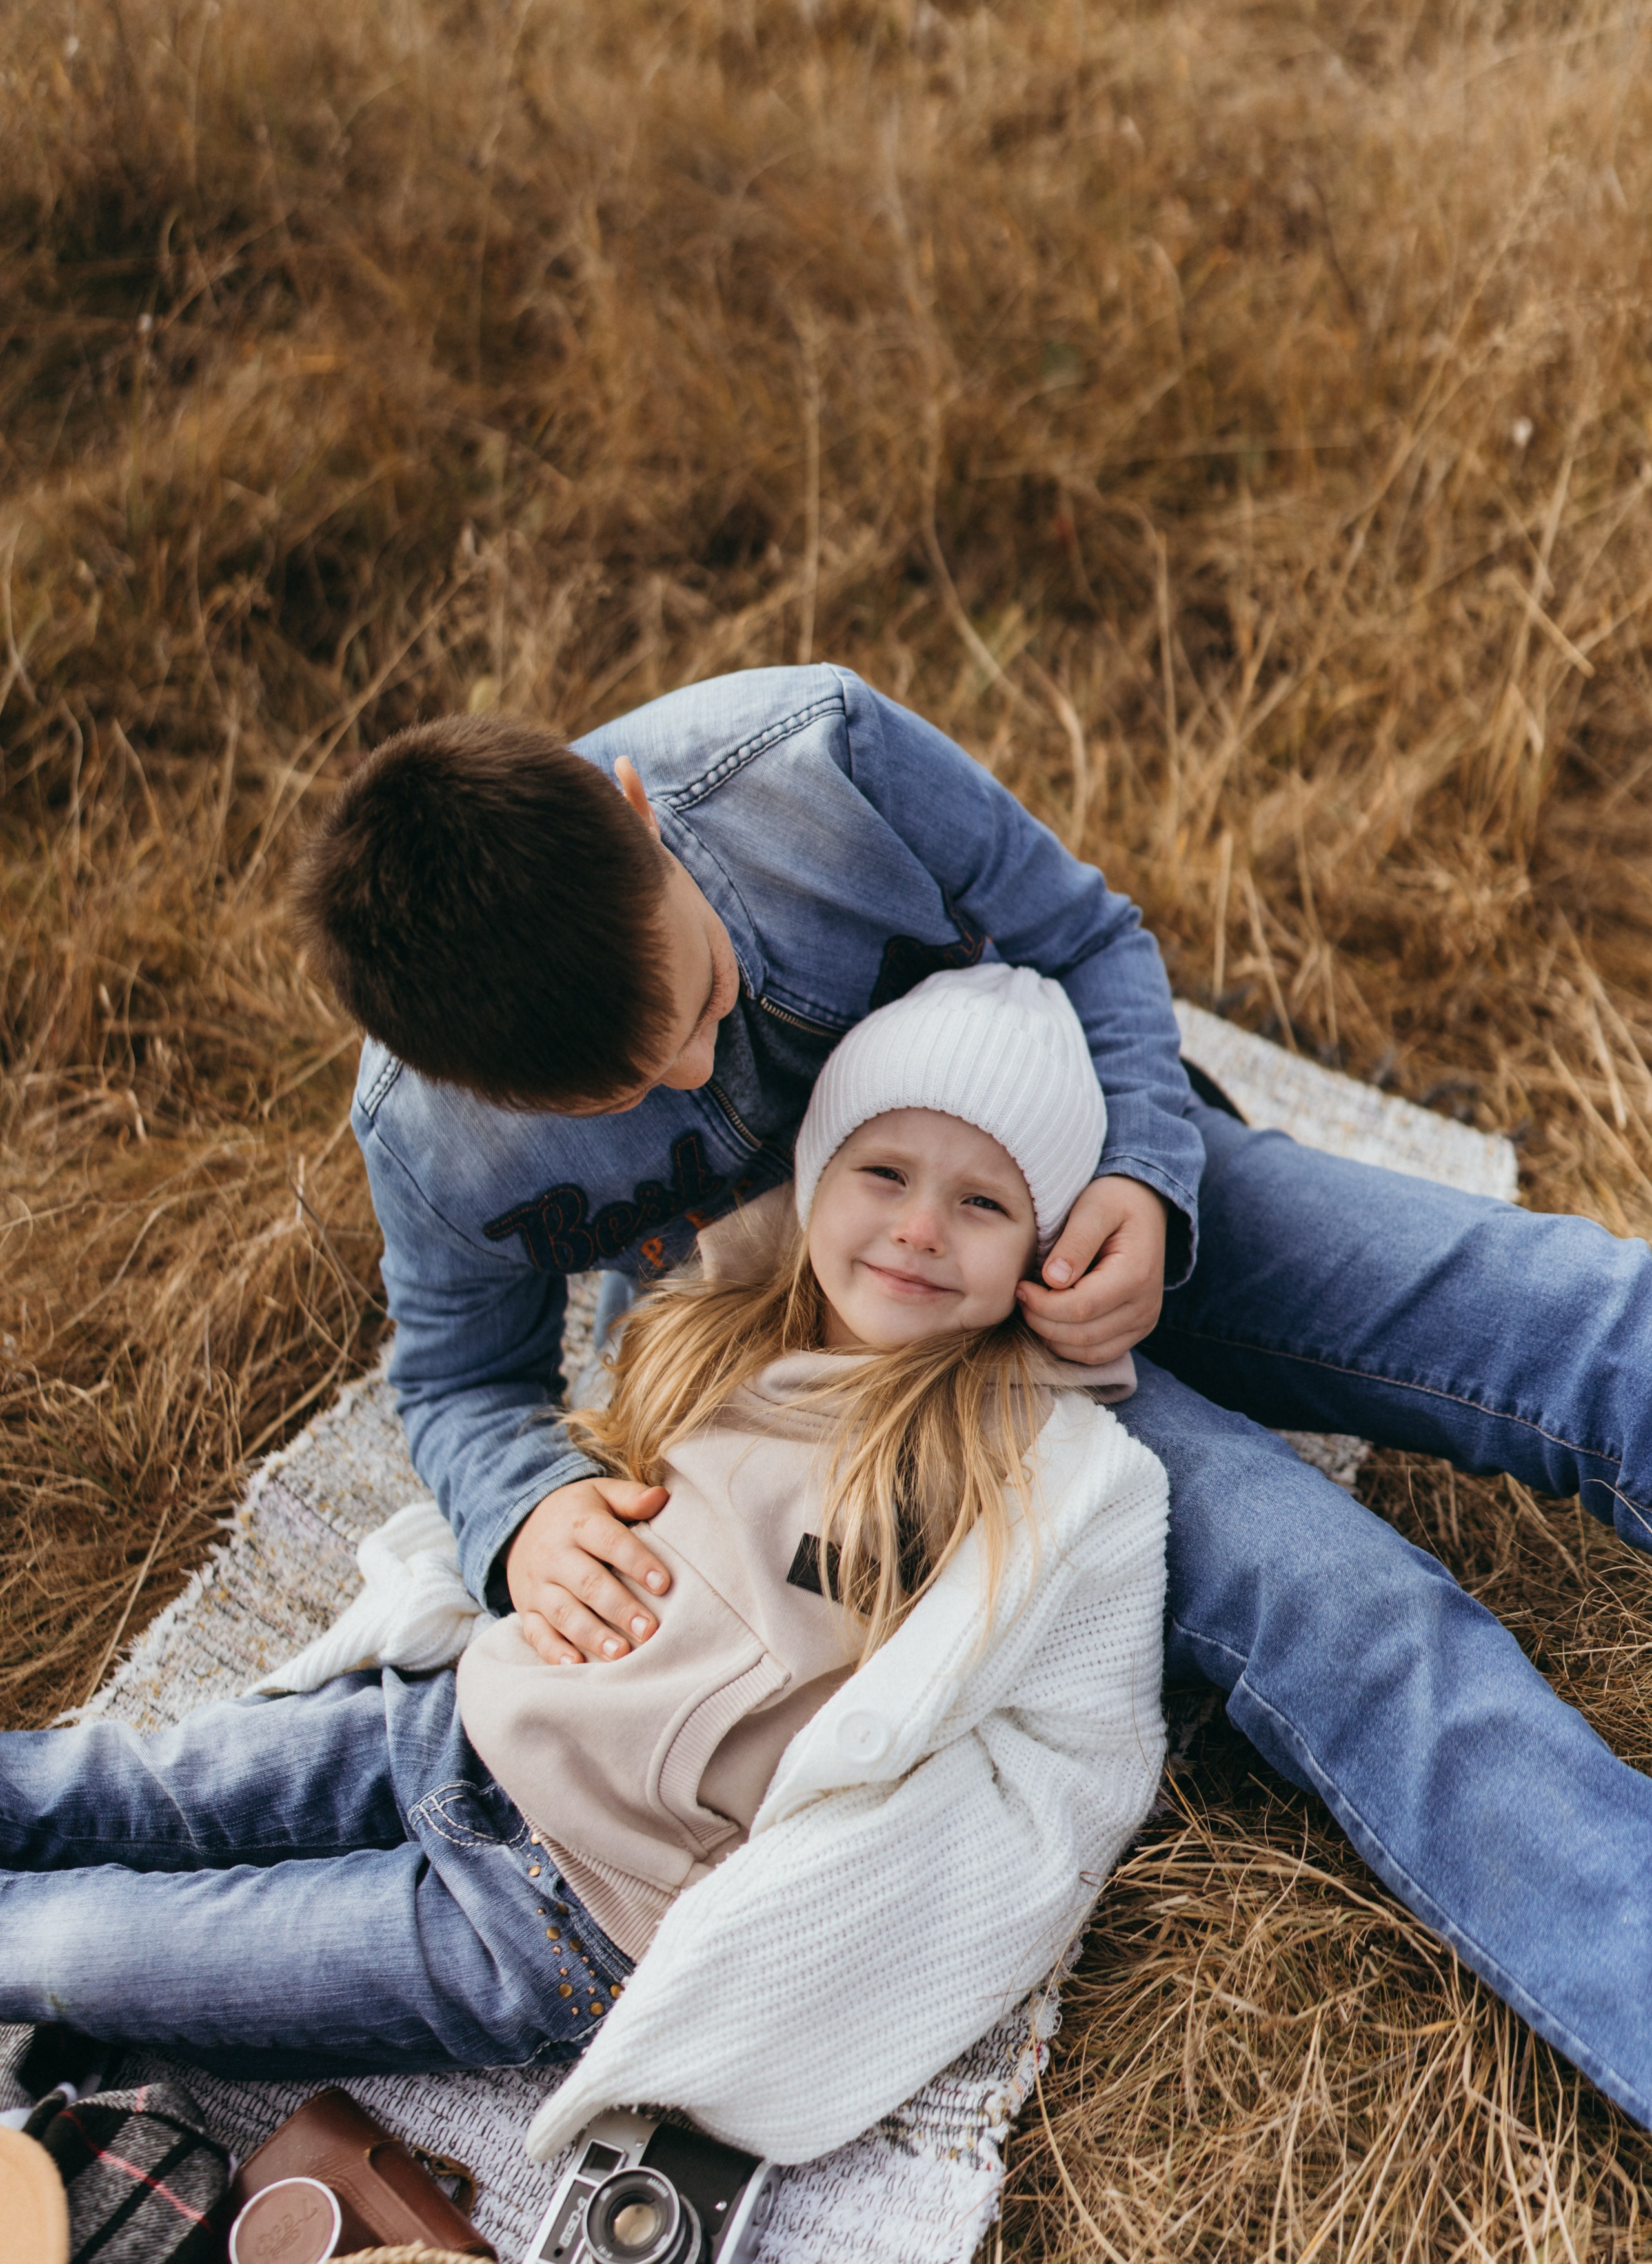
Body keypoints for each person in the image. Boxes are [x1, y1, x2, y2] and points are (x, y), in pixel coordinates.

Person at [287, 661, 1652, 2139]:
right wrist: (523, 1510)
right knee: (1338, 1607)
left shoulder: (814, 756)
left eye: (689, 999)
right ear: (465, 1089)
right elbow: (456, 1381)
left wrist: (1140, 1170)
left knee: (1550, 1307)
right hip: (867, 1399)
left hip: (1069, 1175)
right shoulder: (426, 1136)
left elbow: (1089, 939)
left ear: (638, 817)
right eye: (617, 1100)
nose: (689, 1069)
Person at [0, 969, 1168, 2165]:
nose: (922, 1226)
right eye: (885, 1174)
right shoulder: (729, 1319)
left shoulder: (1018, 1462)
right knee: (135, 1785)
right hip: (464, 1721)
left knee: (87, 1953)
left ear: (1044, 1249)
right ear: (816, 1179)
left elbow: (1081, 1750)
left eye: (982, 1203)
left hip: (574, 1919)